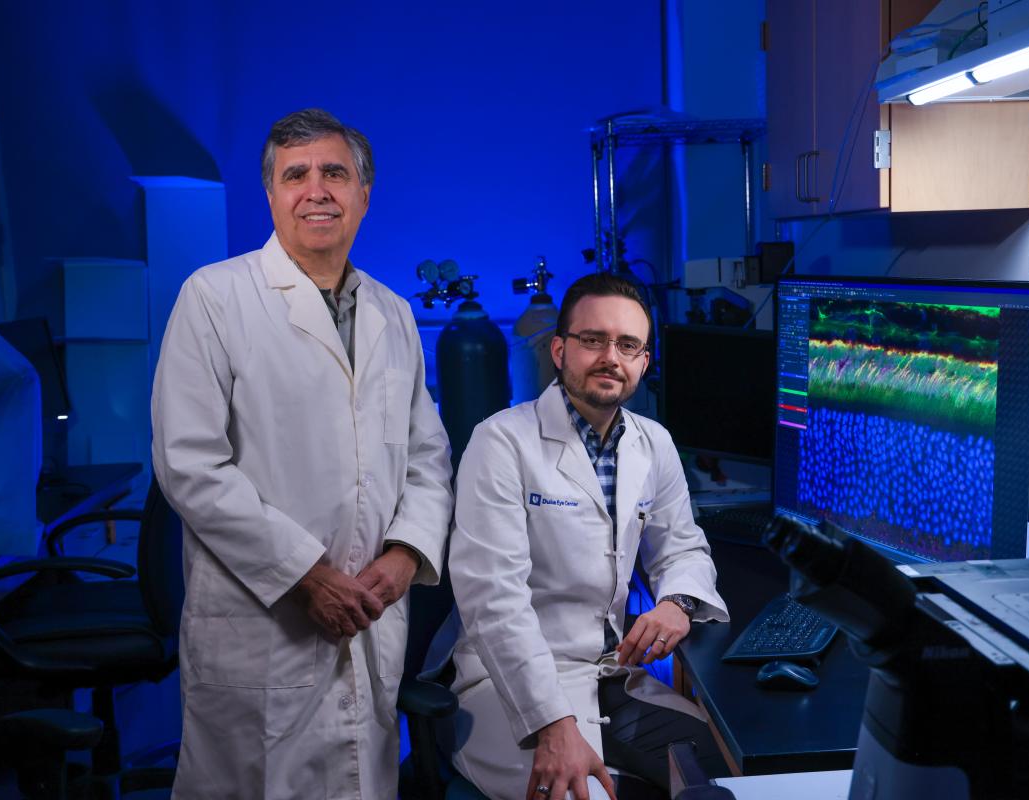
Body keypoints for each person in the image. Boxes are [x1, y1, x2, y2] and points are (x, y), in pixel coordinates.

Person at [151, 108, 453, 799]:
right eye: (296, 176)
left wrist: (405, 557)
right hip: (265, 623)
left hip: (371, 613)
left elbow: (427, 457)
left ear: (364, 194)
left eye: (334, 173)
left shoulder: (393, 313)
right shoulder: (214, 298)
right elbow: (190, 465)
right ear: (271, 195)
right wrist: (306, 577)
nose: (316, 190)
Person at [447, 273, 730, 800]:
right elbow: (493, 599)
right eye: (593, 340)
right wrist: (552, 725)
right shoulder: (501, 442)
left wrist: (678, 603)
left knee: (724, 777)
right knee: (585, 795)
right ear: (560, 350)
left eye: (628, 345)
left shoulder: (653, 443)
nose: (610, 358)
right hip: (510, 686)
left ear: (644, 362)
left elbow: (683, 546)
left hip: (610, 676)